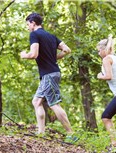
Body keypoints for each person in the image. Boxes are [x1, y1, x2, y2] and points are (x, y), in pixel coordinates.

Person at [20, 13, 76, 142]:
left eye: (28, 24)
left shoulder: (34, 34)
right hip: (51, 73)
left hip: (49, 74)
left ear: (33, 23)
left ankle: (71, 134)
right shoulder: (51, 36)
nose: (28, 27)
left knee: (54, 104)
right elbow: (67, 50)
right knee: (36, 102)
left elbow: (34, 54)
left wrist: (24, 55)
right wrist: (54, 57)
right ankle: (41, 133)